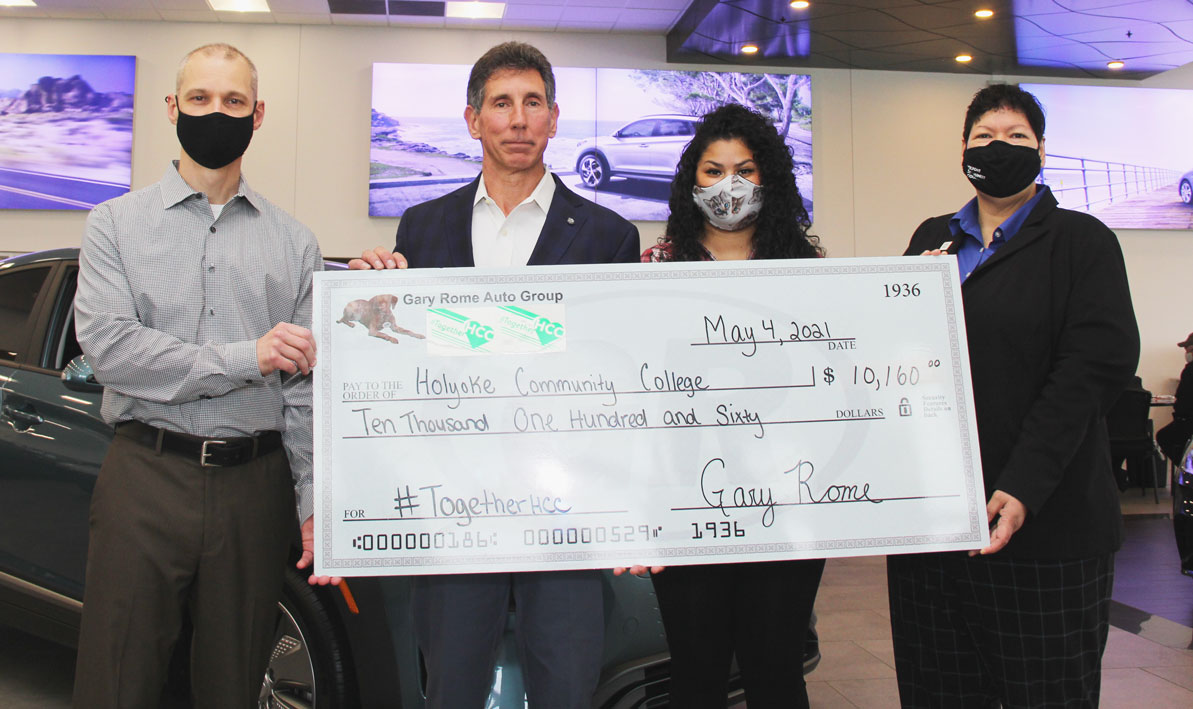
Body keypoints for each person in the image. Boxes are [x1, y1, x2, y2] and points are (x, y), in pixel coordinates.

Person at [350, 41, 639, 708]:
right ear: (472, 119)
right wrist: (367, 306)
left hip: (565, 513)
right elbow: (403, 361)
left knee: (567, 688)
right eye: (501, 103)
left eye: (532, 102)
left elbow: (616, 377)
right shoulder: (420, 229)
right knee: (451, 687)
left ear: (554, 117)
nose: (517, 119)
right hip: (454, 511)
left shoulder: (606, 237)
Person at [72, 43, 324, 707]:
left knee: (234, 682)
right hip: (145, 478)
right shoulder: (113, 227)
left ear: (258, 113)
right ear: (172, 108)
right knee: (117, 675)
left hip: (255, 488)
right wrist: (249, 356)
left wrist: (311, 502)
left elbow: (301, 393)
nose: (217, 113)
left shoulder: (295, 244)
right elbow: (112, 349)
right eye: (201, 99)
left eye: (233, 101)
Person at [888, 84, 1139, 708]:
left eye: (1017, 137)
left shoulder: (1083, 242)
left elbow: (1092, 370)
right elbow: (893, 356)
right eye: (984, 138)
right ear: (963, 150)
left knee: (1046, 693)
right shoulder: (931, 238)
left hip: (1047, 531)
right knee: (937, 693)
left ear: (1043, 151)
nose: (999, 148)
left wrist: (1024, 482)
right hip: (936, 533)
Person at [638, 103, 826, 708]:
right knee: (696, 674)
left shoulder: (811, 273)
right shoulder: (653, 271)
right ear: (692, 180)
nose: (730, 186)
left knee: (776, 671)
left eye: (745, 170)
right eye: (714, 171)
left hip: (786, 506)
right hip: (686, 506)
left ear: (769, 178)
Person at [1156, 334, 1193, 465]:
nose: (1186, 353)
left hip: (1187, 423)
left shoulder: (1190, 370)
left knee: (1163, 437)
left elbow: (1182, 399)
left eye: (1189, 349)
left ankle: (1186, 467)